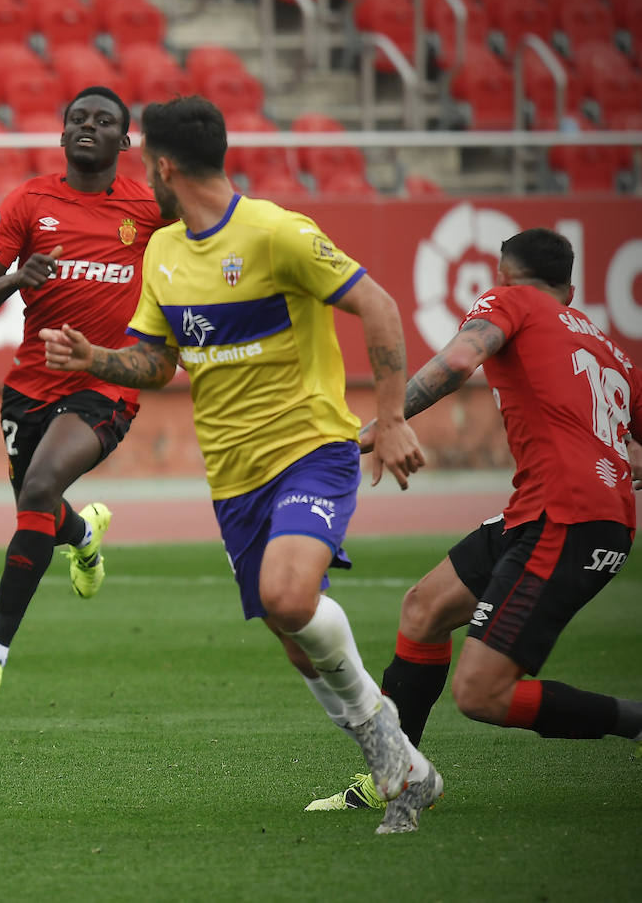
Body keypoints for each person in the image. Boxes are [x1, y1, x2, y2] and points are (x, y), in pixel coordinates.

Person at [39, 95, 439, 835]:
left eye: (143, 162)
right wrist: (97, 359)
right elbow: (159, 362)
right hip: (233, 477)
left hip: (309, 450)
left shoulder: (276, 233)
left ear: (163, 165)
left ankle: (391, 753)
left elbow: (379, 307)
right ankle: (406, 768)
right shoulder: (162, 252)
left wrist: (391, 419)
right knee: (295, 644)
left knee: (289, 597)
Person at [306, 228, 642, 814]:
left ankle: (634, 721)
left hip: (564, 518)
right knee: (424, 608)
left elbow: (460, 360)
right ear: (572, 287)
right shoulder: (607, 348)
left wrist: (381, 425)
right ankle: (400, 773)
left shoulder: (510, 301)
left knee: (482, 693)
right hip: (557, 513)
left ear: (504, 276)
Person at [0, 86, 169, 703]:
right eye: (76, 119)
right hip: (30, 386)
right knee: (38, 508)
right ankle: (84, 536)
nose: (86, 127)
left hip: (107, 381)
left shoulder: (151, 209)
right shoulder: (29, 201)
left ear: (125, 141)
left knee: (39, 489)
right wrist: (19, 276)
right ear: (62, 133)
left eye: (103, 121)